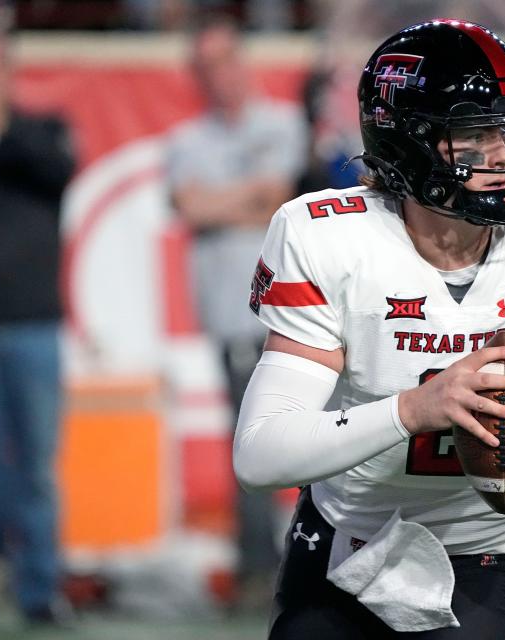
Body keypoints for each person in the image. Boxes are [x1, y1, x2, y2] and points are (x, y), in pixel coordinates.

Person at [232, 19, 505, 639]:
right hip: (346, 539)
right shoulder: (329, 239)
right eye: (474, 133)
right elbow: (260, 451)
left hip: (491, 550)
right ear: (407, 141)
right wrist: (412, 409)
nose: (503, 155)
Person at [166, 15, 306, 609]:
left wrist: (218, 203)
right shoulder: (186, 139)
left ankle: (309, 560)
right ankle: (259, 569)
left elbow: (276, 199)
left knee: (313, 439)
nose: (218, 75)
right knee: (250, 449)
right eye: (207, 64)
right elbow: (190, 208)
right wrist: (243, 200)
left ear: (242, 63)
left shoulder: (281, 122)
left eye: (225, 60)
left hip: (294, 316)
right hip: (229, 316)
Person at [0, 28, 75, 625]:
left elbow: (56, 171)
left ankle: (40, 591)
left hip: (34, 324)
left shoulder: (39, 133)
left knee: (37, 467)